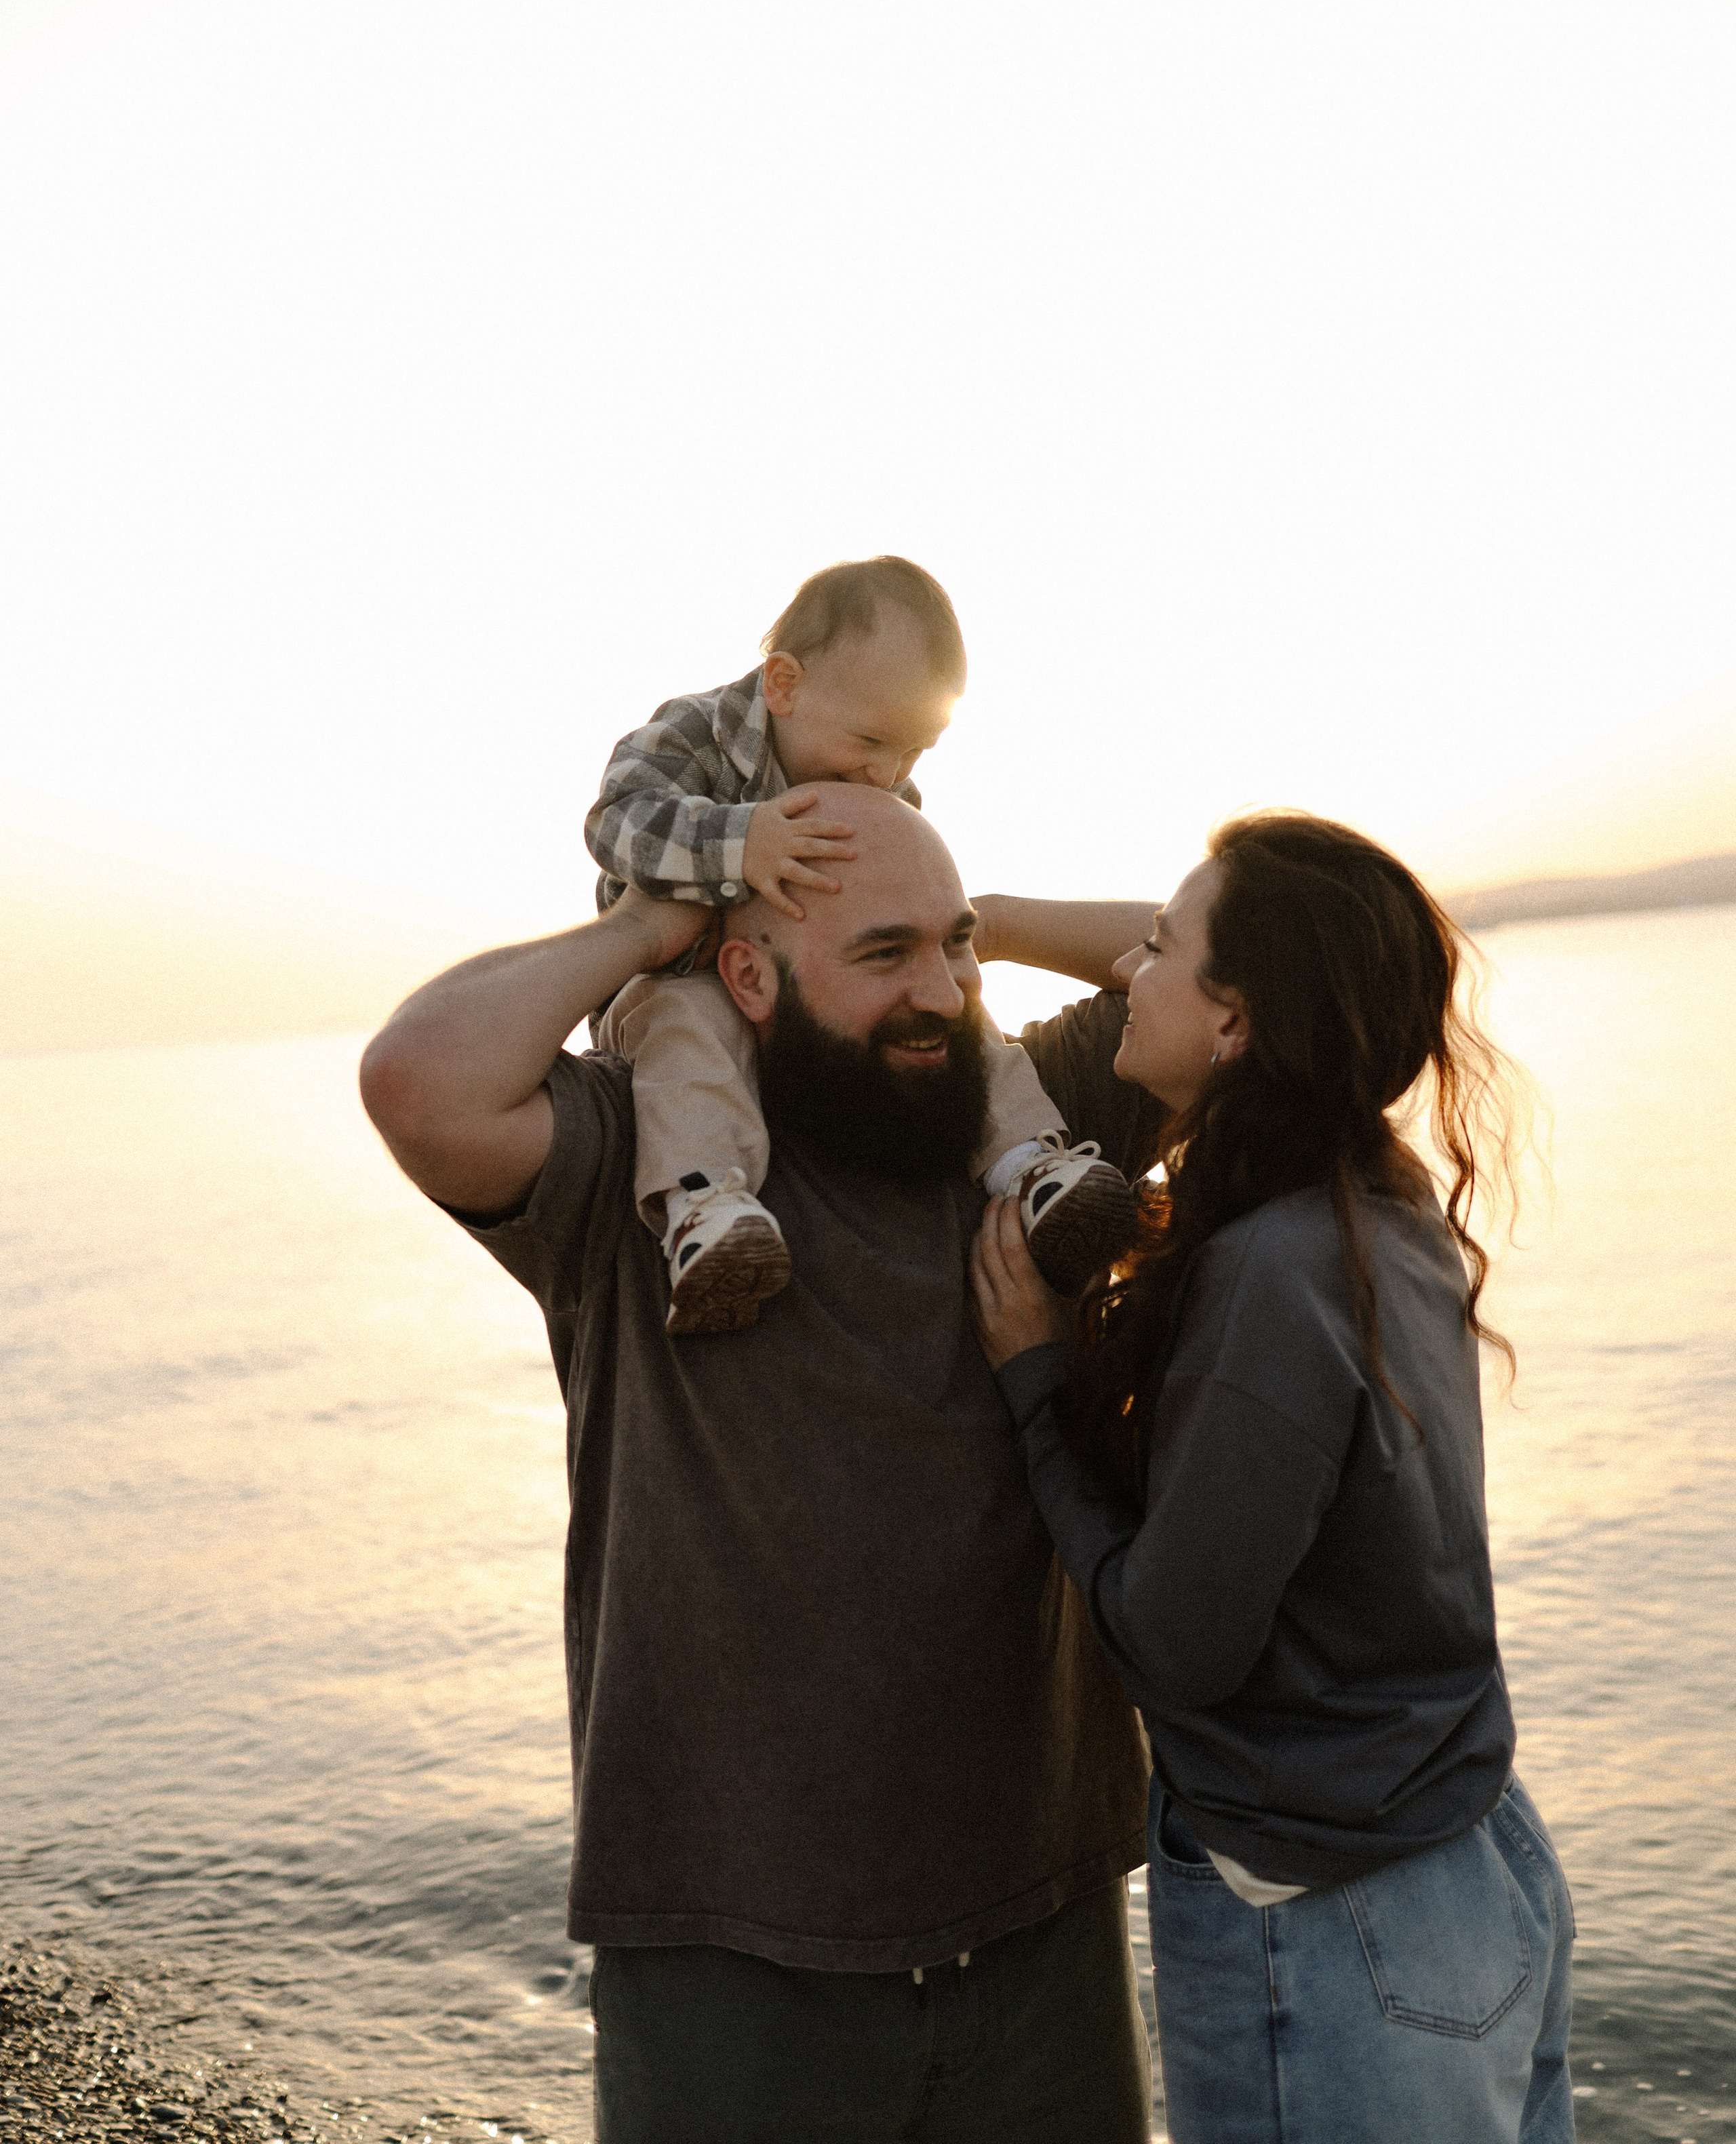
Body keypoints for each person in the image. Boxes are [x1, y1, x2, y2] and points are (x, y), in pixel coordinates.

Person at [359, 789, 1160, 2144]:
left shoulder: (1025, 1135)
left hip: (1039, 1930)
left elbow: (1237, 979)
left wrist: (977, 921)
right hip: (730, 1963)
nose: (939, 993)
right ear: (747, 973)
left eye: (949, 949)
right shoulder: (651, 1168)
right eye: (881, 954)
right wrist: (662, 911)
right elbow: (418, 1077)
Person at [967, 813, 1575, 2144]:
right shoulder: (1370, 1190)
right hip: (1473, 1878)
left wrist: (1036, 1384)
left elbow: (1178, 1646)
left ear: (1237, 1023)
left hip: (1333, 1924)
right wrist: (988, 919)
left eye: (1157, 953)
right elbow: (1220, 948)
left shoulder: (1267, 1274)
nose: (1125, 969)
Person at [584, 555, 1135, 1331]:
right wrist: (741, 844)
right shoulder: (696, 733)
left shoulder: (877, 786)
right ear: (783, 685)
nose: (889, 773)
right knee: (687, 1040)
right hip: (678, 972)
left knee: (955, 1010)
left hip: (816, 1001)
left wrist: (959, 932)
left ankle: (1032, 1167)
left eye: (914, 752)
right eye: (872, 740)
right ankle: (703, 1208)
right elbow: (617, 823)